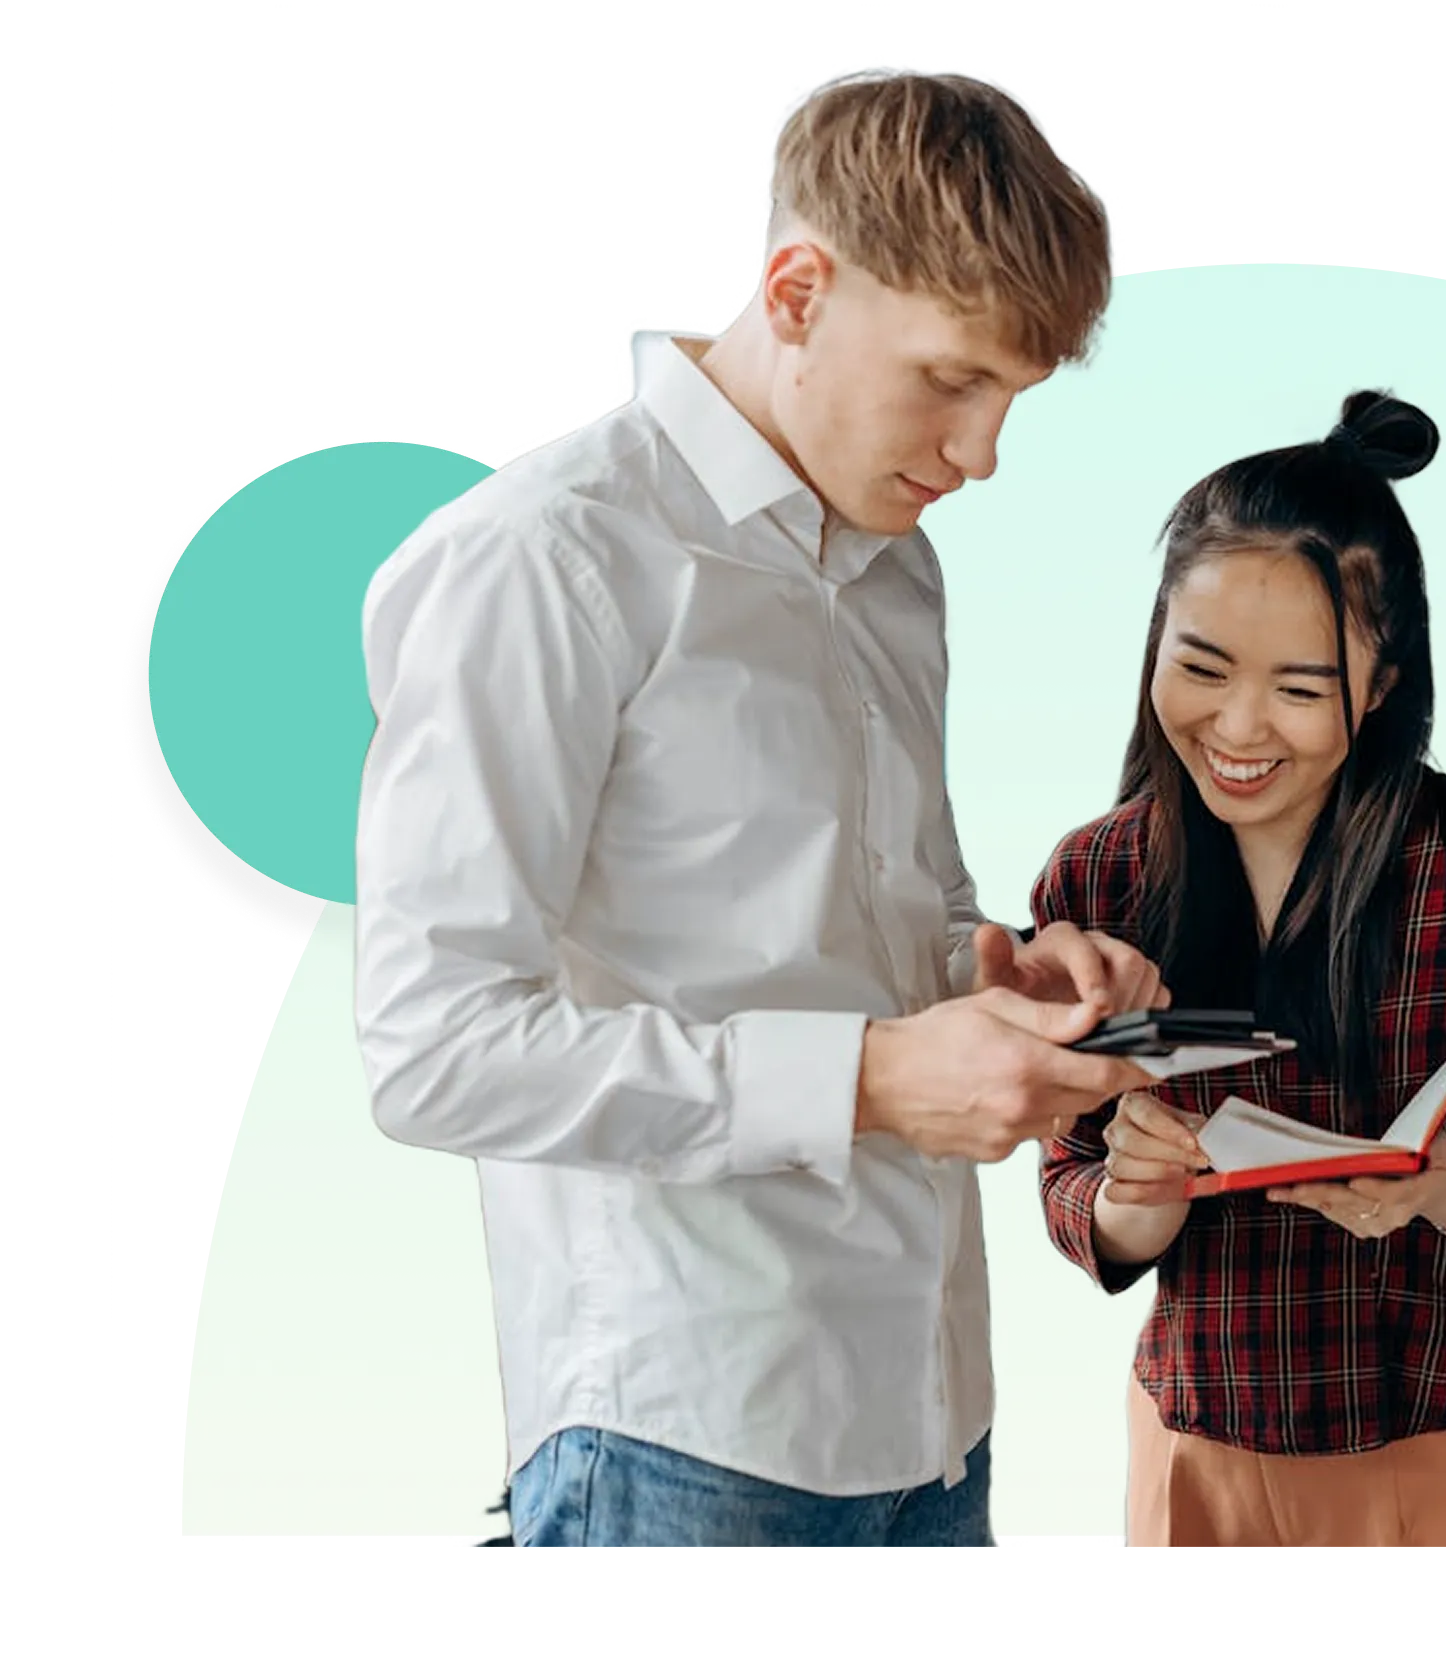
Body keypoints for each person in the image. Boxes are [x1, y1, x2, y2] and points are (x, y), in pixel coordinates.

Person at [352, 64, 1169, 1551]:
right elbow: (432, 1048)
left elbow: (871, 934)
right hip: (685, 1433)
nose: (982, 456)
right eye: (951, 380)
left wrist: (1005, 974)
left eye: (1012, 399)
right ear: (796, 289)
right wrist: (865, 1077)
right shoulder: (547, 559)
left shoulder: (895, 564)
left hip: (932, 1413)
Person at [1031, 390, 1446, 1551]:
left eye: (1300, 690)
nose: (1238, 727)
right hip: (1196, 1452)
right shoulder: (1095, 883)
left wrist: (1441, 1191)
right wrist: (1131, 1199)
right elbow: (1068, 1176)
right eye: (1200, 667)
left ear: (1384, 685)